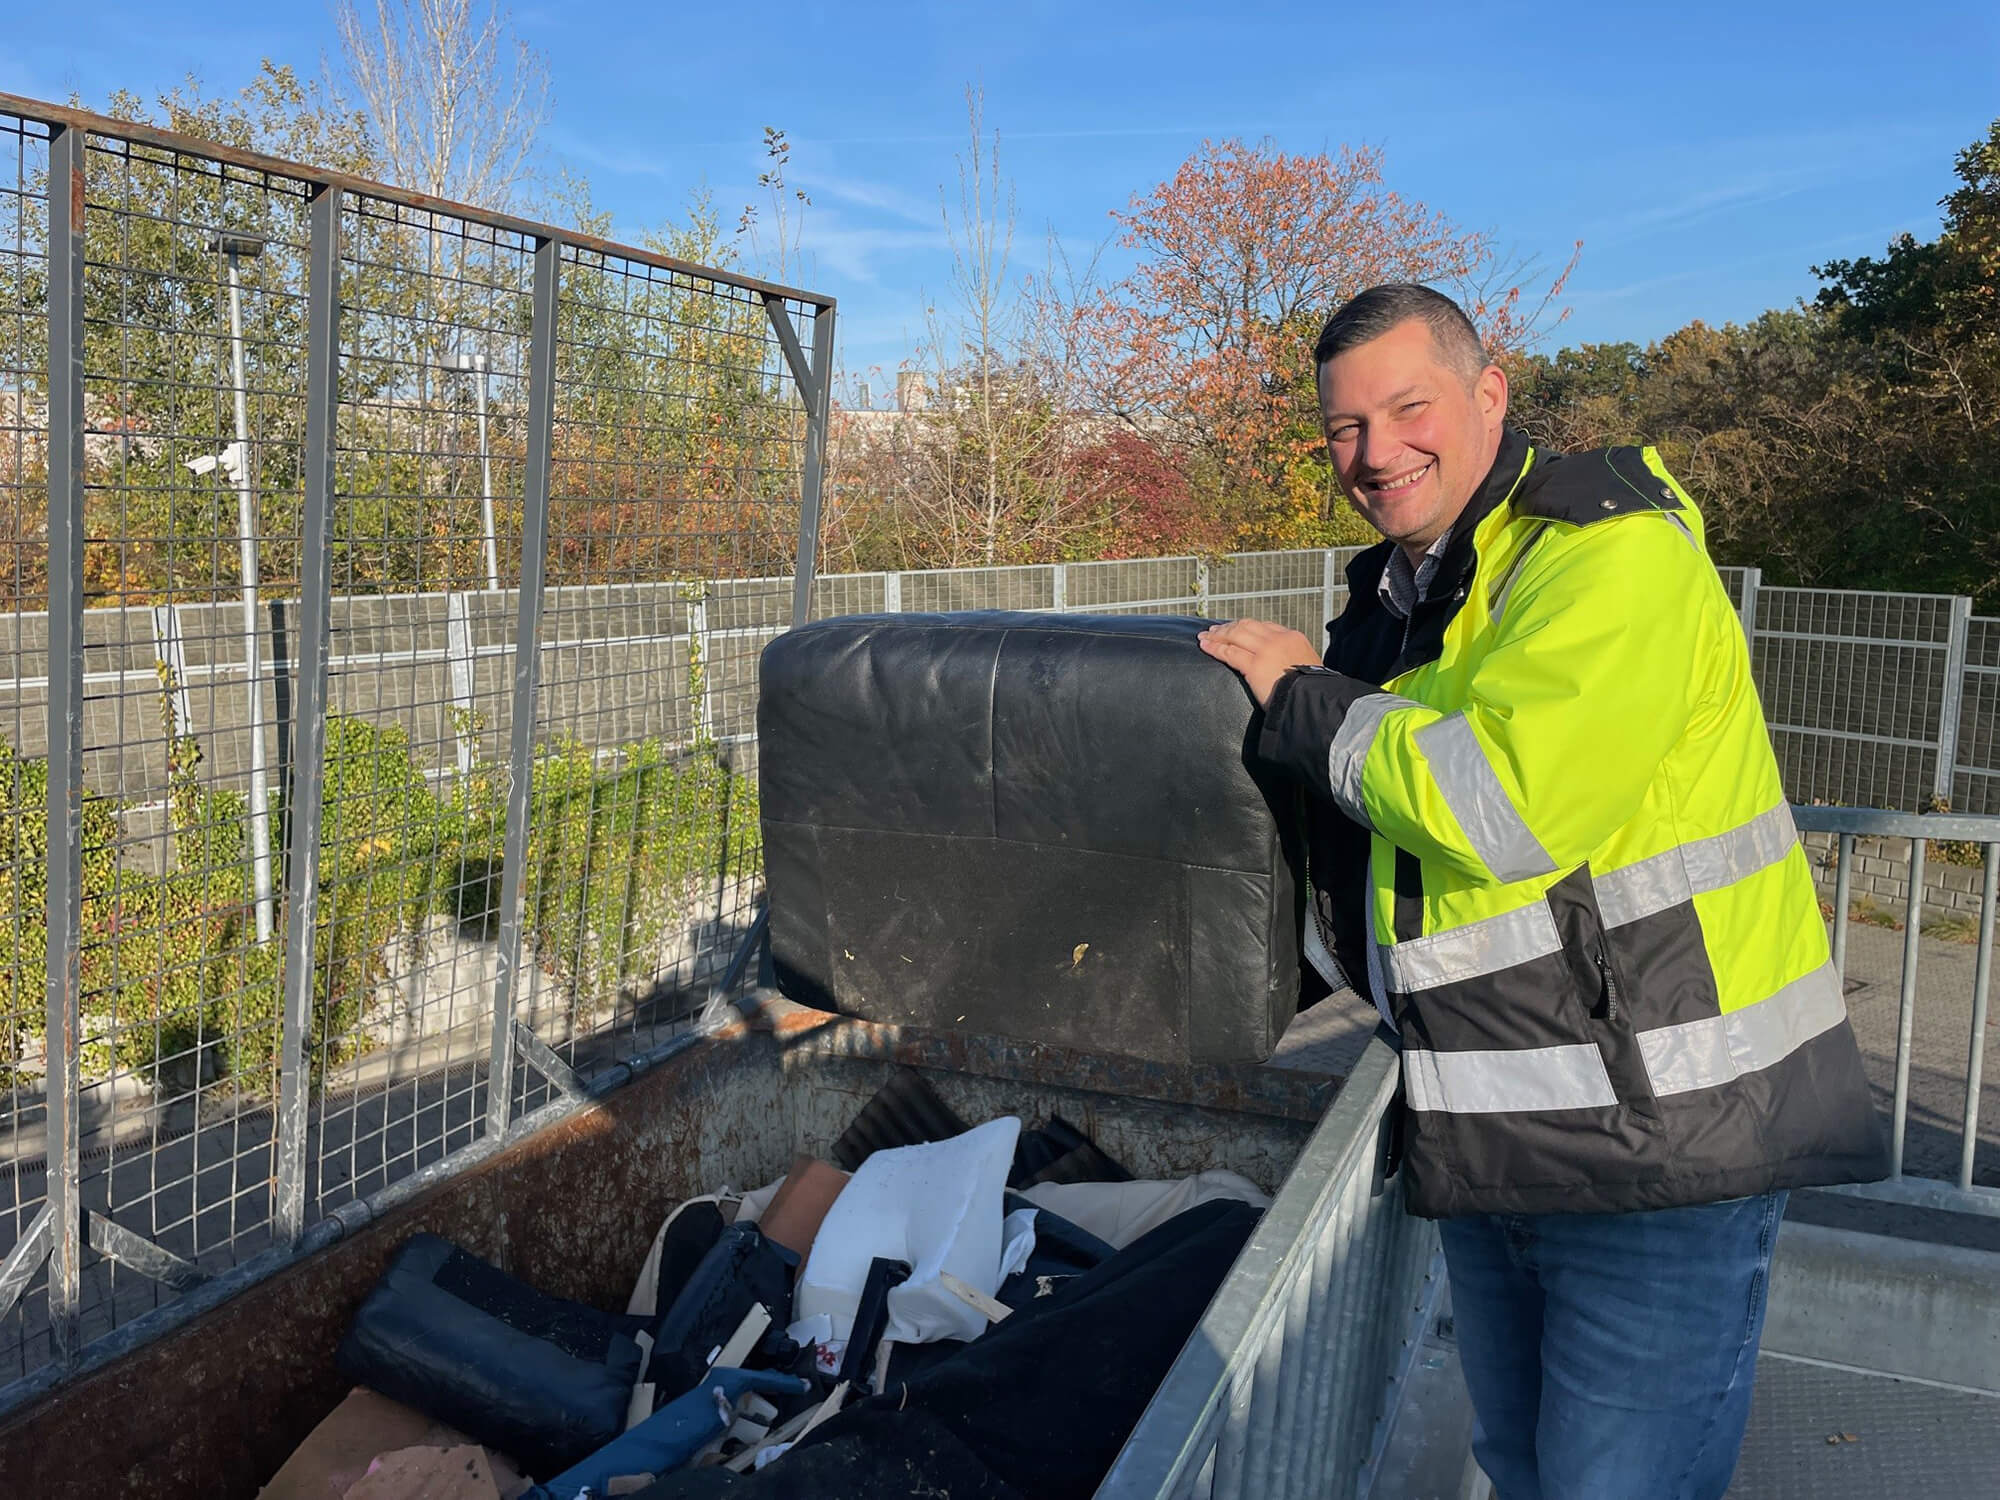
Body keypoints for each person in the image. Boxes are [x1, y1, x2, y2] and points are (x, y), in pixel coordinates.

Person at [1198, 283, 1889, 1500]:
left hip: (1663, 1144)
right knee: (1521, 1469)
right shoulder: (1402, 598)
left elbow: (1503, 807)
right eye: (1343, 431)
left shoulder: (1602, 551)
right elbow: (1372, 845)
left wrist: (1305, 696)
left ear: (1488, 393)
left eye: (1405, 408)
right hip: (1499, 1132)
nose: (1374, 453)